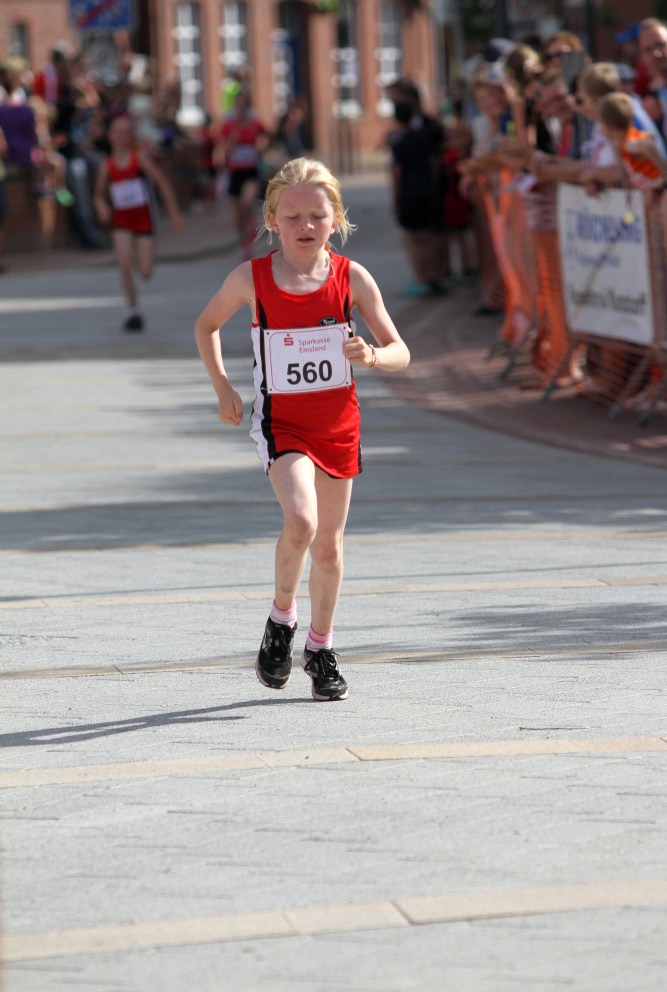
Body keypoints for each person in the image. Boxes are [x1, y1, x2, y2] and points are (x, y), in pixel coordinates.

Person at [194, 157, 410, 701]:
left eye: (317, 214)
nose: (305, 226)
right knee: (301, 522)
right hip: (282, 423)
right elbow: (206, 325)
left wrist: (372, 356)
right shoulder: (251, 278)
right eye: (292, 217)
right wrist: (223, 388)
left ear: (336, 218)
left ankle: (320, 648)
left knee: (330, 550)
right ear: (272, 220)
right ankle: (281, 619)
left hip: (338, 424)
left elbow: (401, 351)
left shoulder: (351, 277)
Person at [94, 114, 183, 332]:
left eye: (125, 132)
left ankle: (139, 256)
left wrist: (174, 215)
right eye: (117, 132)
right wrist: (102, 206)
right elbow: (97, 194)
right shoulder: (107, 165)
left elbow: (163, 184)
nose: (121, 137)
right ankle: (134, 312)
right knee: (124, 263)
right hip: (122, 221)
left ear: (131, 136)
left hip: (143, 220)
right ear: (110, 136)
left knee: (145, 272)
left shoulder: (139, 158)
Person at [598, 91, 666, 189]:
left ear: (607, 125)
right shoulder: (625, 139)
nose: (599, 128)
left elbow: (647, 145)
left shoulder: (629, 143)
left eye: (600, 122)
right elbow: (651, 136)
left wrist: (664, 174)